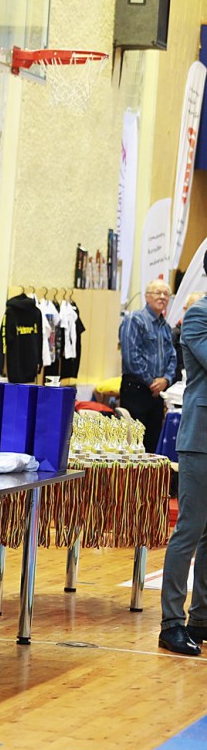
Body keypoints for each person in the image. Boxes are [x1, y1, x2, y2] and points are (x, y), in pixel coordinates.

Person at [159, 268, 207, 656]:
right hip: (200, 439)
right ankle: (171, 623)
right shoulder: (198, 314)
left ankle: (201, 618)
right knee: (189, 528)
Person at [121, 279, 176, 454]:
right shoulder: (134, 320)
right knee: (133, 446)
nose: (162, 297)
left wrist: (166, 379)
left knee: (152, 447)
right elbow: (131, 356)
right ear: (147, 296)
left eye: (166, 294)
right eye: (157, 293)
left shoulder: (166, 327)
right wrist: (152, 382)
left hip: (157, 394)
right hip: (136, 391)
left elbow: (173, 356)